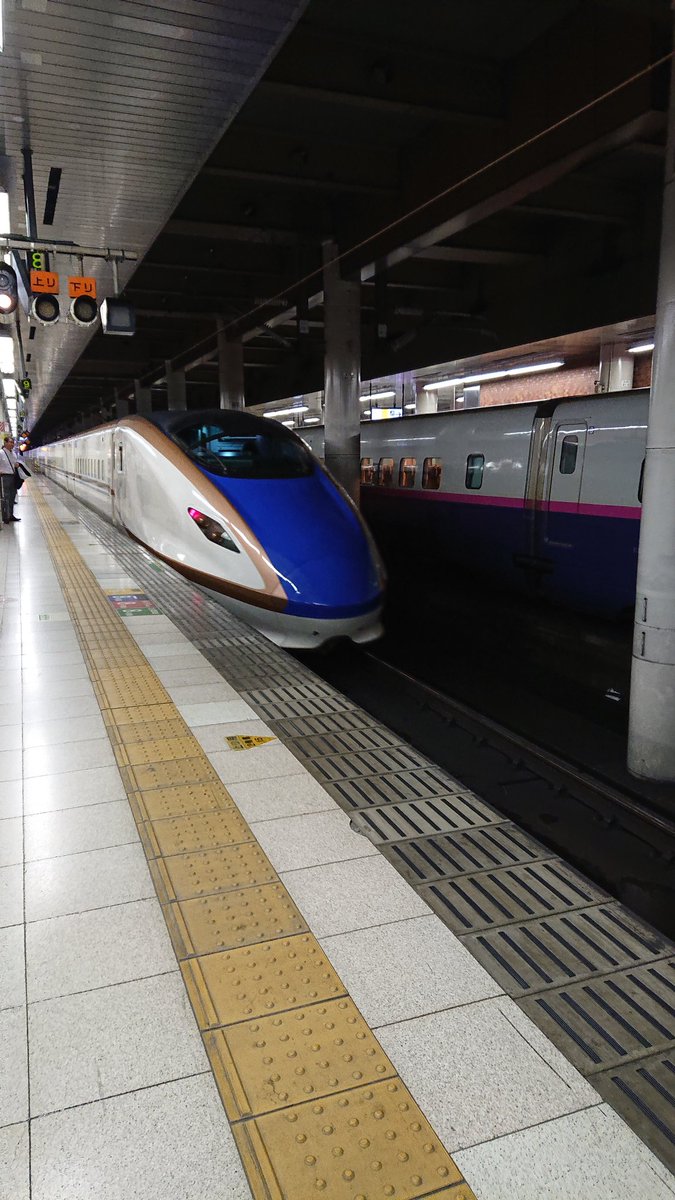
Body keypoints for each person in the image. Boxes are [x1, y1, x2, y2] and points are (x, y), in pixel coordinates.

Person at [0, 436, 20, 523]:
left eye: (13, 442)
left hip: (13, 477)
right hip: (4, 477)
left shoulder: (14, 453)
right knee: (6, 497)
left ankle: (11, 515)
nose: (12, 444)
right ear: (5, 443)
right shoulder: (1, 453)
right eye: (10, 442)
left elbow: (15, 464)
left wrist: (17, 465)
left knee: (12, 497)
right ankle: (6, 517)